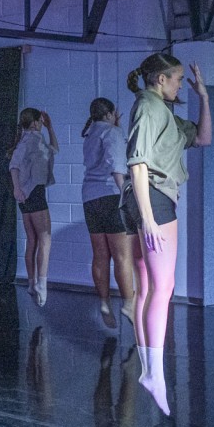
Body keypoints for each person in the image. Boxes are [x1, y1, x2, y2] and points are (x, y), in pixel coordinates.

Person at [121, 55, 211, 416]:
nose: (179, 85)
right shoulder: (148, 106)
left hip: (147, 200)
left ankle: (149, 370)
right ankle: (154, 374)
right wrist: (148, 217)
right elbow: (137, 163)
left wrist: (204, 97)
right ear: (160, 79)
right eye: (176, 79)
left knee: (147, 287)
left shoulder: (165, 113)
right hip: (152, 200)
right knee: (163, 287)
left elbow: (203, 138)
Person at [81, 97, 135, 326]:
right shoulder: (112, 133)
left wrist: (115, 127)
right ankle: (129, 303)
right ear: (110, 113)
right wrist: (126, 196)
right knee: (122, 256)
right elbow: (116, 167)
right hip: (111, 195)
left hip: (90, 198)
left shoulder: (90, 134)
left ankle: (104, 302)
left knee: (100, 255)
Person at [9, 108, 59, 306]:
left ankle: (31, 283)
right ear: (36, 122)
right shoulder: (31, 140)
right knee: (45, 239)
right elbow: (14, 165)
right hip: (33, 193)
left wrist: (50, 128)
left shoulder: (33, 139)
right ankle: (41, 284)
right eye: (40, 122)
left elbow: (54, 149)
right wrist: (16, 188)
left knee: (33, 239)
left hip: (28, 194)